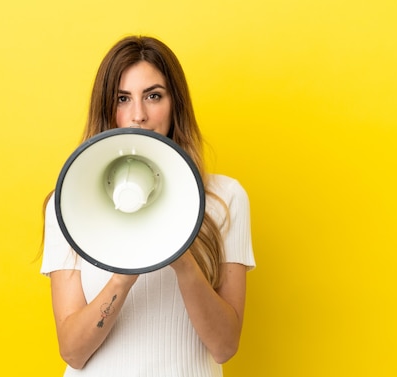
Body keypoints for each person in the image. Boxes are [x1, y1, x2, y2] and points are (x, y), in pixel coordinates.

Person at [40, 35, 255, 376]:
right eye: (122, 98)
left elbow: (225, 346)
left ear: (175, 105)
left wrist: (182, 258)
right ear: (105, 108)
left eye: (153, 96)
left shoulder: (224, 199)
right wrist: (125, 272)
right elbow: (73, 352)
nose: (138, 115)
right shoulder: (68, 204)